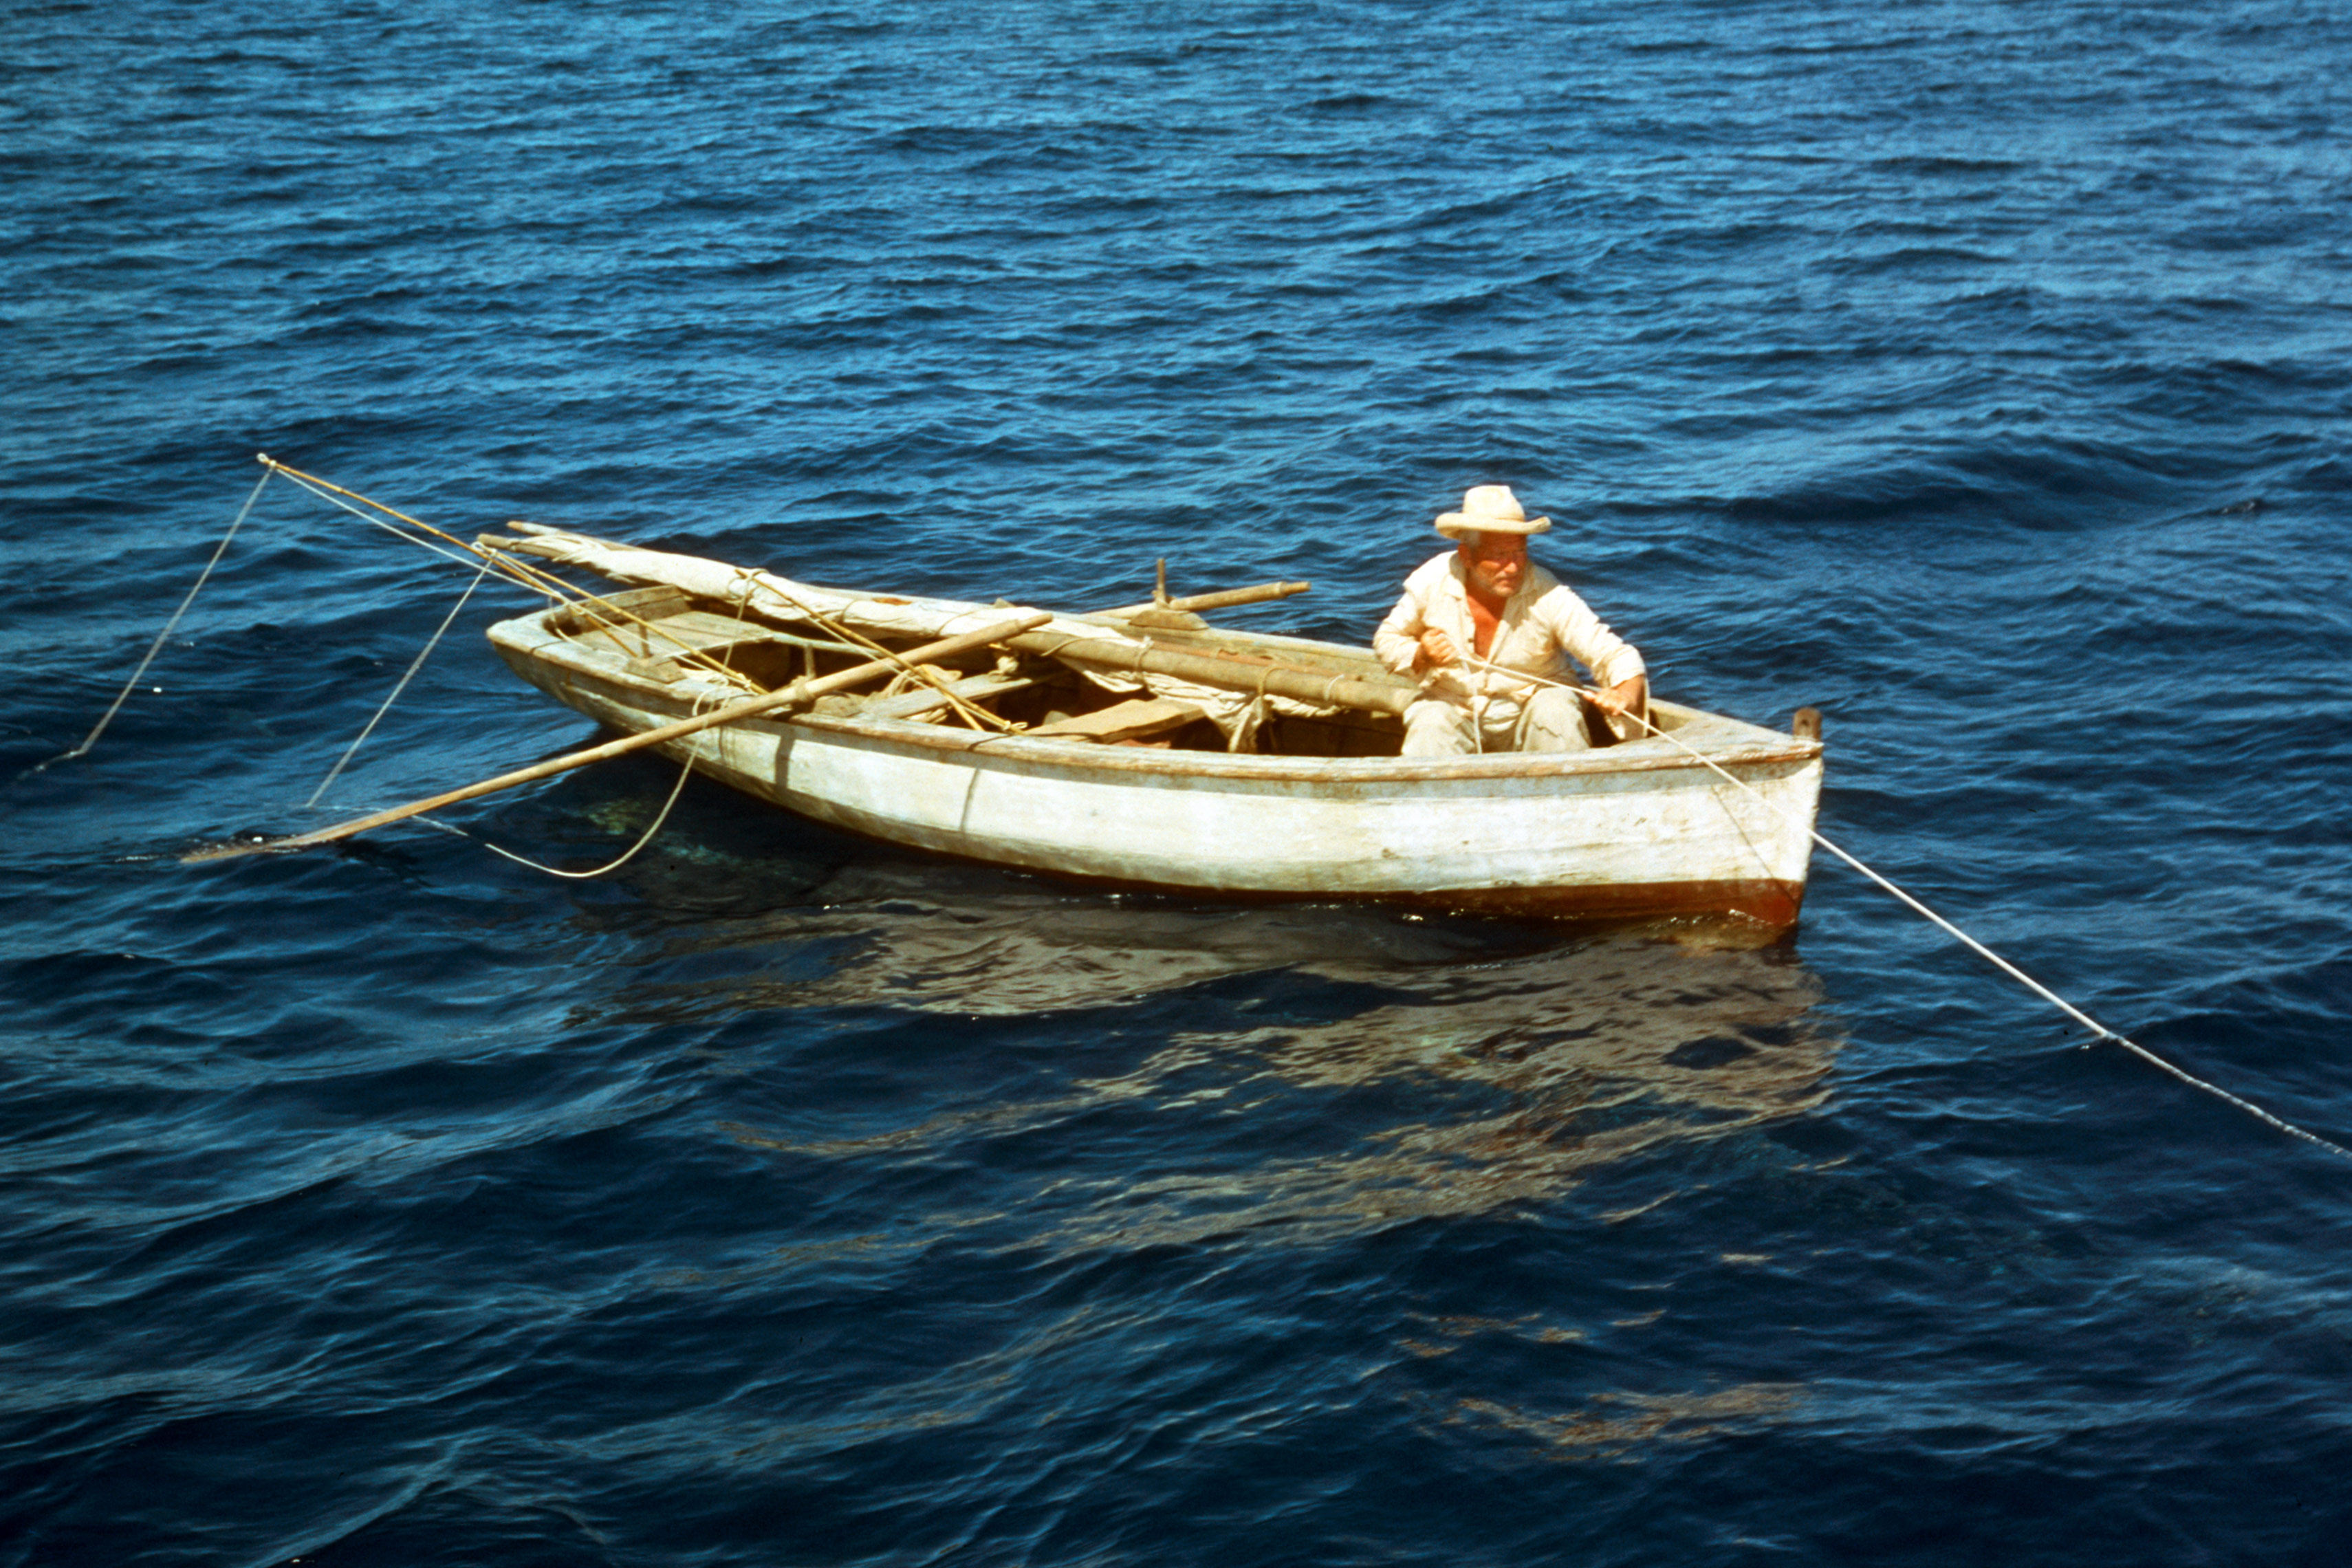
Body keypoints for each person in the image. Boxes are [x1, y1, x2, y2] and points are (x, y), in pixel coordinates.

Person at [1373, 484, 1648, 756]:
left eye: (1519, 552)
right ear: (1467, 556)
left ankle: (1562, 795)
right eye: (1499, 556)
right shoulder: (1432, 581)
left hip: (1531, 711)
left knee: (1555, 710)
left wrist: (1624, 693)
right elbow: (1386, 640)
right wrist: (1421, 655)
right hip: (1454, 707)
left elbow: (1615, 654)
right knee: (1431, 722)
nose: (1514, 567)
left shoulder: (1547, 593)